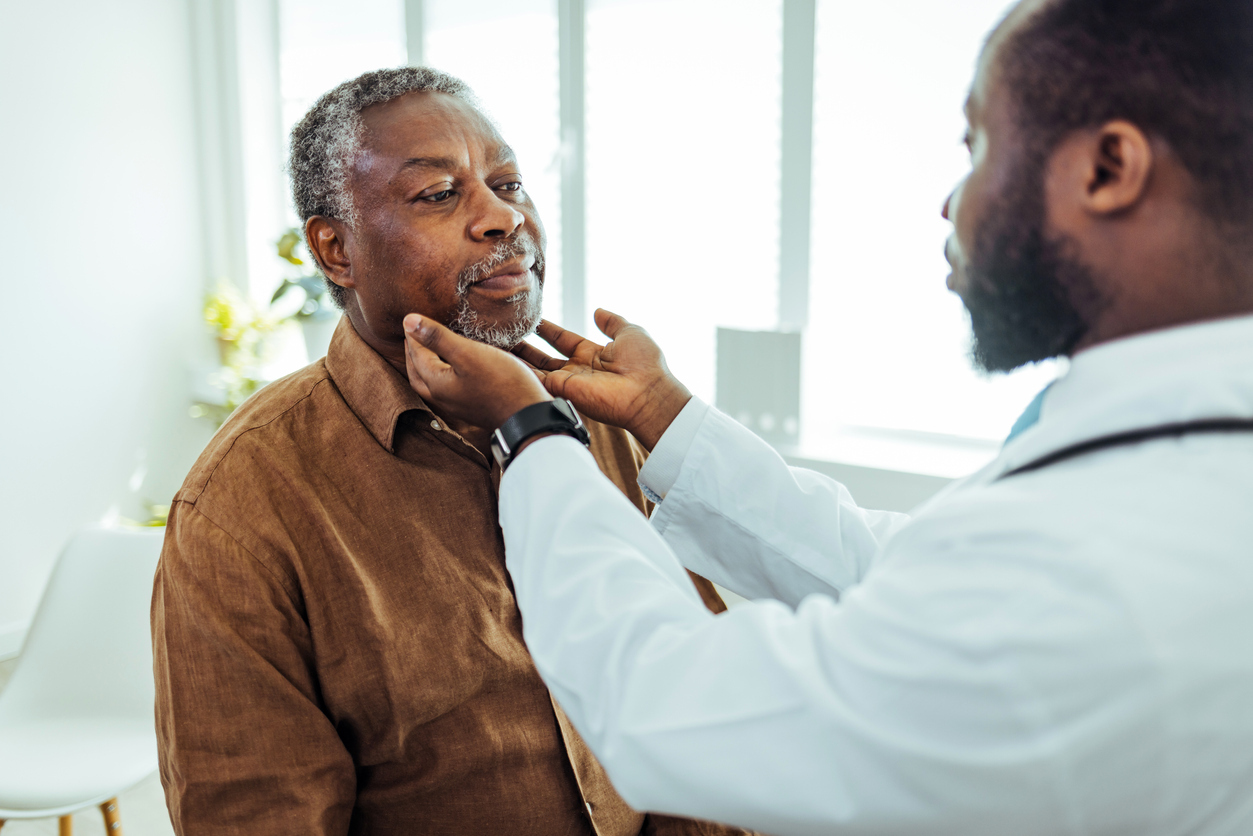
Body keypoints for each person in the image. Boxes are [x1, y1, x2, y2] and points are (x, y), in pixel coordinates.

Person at [398, 0, 1253, 833]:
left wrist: (534, 432)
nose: (950, 203)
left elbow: (670, 709)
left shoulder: (1124, 556)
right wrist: (666, 415)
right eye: (438, 191)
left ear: (1108, 170)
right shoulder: (1172, 456)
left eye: (978, 147)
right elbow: (900, 573)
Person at [151, 67, 749, 836]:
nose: (504, 217)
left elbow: (694, 704)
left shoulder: (598, 417)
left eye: (509, 182)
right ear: (336, 250)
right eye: (439, 193)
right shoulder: (243, 508)